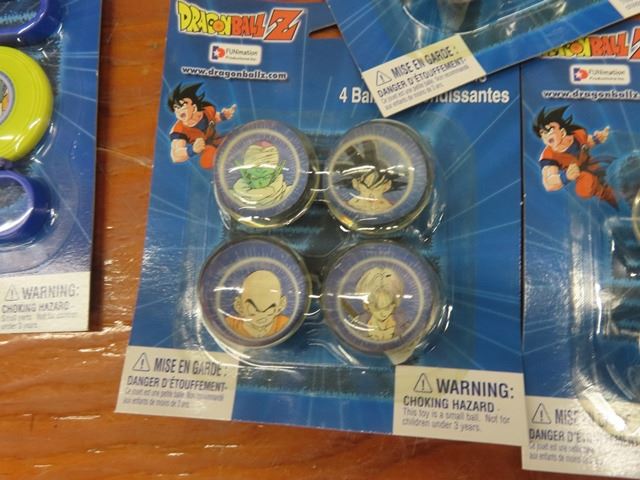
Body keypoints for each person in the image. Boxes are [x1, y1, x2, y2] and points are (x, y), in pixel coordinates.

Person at [533, 106, 617, 208]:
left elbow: (586, 142)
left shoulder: (578, 134)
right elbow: (548, 182)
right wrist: (565, 177)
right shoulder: (548, 156)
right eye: (542, 133)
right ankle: (610, 198)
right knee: (586, 186)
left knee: (614, 175)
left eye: (549, 130)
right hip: (582, 177)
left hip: (596, 166)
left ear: (562, 131)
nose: (545, 136)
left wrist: (598, 138)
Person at [168, 83, 236, 169]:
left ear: (194, 107)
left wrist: (223, 116)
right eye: (176, 108)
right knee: (208, 160)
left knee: (235, 138)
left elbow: (214, 118)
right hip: (206, 149)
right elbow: (175, 155)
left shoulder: (207, 111)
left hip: (218, 139)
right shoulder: (179, 130)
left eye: (183, 106)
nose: (179, 110)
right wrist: (192, 150)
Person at [335, 140, 408, 214]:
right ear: (355, 184)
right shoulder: (346, 206)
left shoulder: (392, 208)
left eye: (377, 189)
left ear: (387, 186)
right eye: (366, 189)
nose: (371, 196)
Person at [227, 270, 289, 339]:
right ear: (239, 306)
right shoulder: (230, 324)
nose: (261, 315)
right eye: (252, 310)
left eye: (269, 310)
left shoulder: (284, 324)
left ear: (281, 305)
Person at [232, 141, 291, 207]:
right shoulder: (231, 196)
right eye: (255, 177)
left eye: (266, 176)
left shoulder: (288, 193)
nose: (260, 181)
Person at [355, 267, 404, 341]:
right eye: (376, 308)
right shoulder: (359, 323)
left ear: (394, 304)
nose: (382, 313)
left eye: (387, 307)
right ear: (367, 305)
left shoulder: (402, 324)